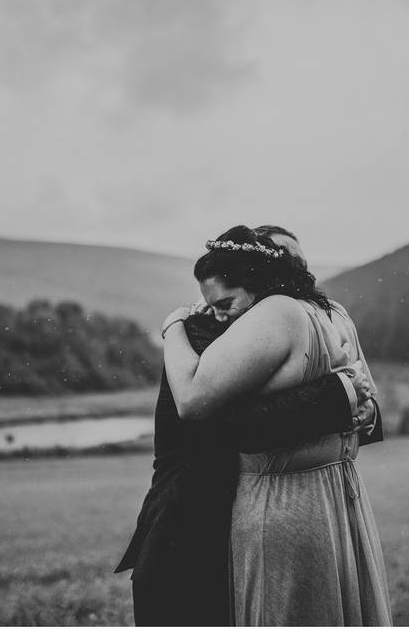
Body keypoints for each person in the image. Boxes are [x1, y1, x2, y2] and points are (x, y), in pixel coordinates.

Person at [116, 226, 381, 626]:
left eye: (296, 261)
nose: (294, 270)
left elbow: (365, 405)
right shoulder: (207, 333)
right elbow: (227, 422)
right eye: (281, 259)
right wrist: (338, 393)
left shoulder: (325, 314)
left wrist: (364, 410)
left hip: (332, 495)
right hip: (191, 515)